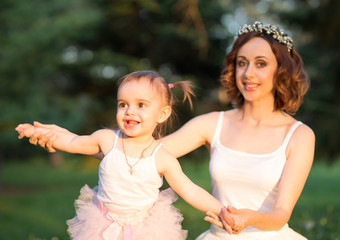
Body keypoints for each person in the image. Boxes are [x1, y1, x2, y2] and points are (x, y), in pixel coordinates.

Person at [23, 21, 315, 239]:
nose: (248, 73)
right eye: (242, 63)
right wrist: (63, 138)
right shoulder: (212, 123)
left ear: (281, 70)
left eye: (261, 64)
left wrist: (249, 218)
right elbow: (140, 156)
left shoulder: (299, 135)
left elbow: (280, 216)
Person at [16, 71, 228, 240]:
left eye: (141, 105)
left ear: (162, 114)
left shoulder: (162, 158)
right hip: (102, 223)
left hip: (145, 229)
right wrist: (41, 132)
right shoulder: (107, 139)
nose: (129, 111)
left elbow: (190, 191)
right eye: (123, 104)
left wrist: (221, 210)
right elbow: (73, 142)